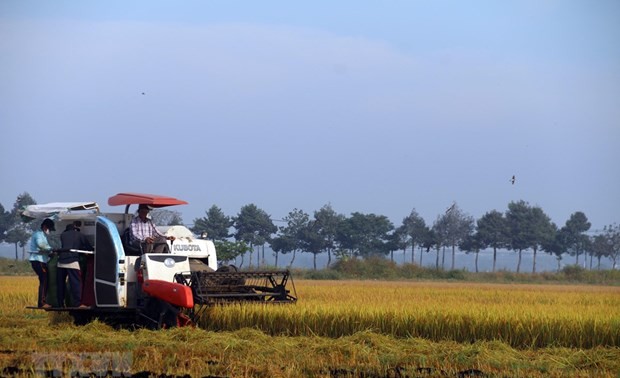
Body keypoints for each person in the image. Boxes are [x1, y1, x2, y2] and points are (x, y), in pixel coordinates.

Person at [57, 221, 93, 308]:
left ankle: (60, 304)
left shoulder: (63, 235)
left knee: (61, 283)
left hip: (61, 262)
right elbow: (88, 247)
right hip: (72, 261)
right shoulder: (80, 235)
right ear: (76, 229)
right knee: (76, 283)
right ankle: (78, 303)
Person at [28, 218, 56, 308]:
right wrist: (51, 249)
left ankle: (43, 301)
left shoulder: (43, 235)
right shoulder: (38, 234)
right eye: (49, 229)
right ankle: (42, 303)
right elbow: (41, 245)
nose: (49, 231)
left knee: (45, 279)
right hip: (38, 260)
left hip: (42, 260)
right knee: (44, 280)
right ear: (45, 227)